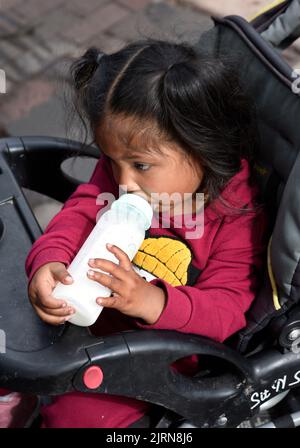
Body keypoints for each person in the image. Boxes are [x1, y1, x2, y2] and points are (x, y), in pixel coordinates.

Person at [25, 39, 268, 428]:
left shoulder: (236, 216)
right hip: (78, 323)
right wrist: (50, 259)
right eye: (111, 160)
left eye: (140, 164)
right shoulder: (129, 178)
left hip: (152, 360)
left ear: (201, 147)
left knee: (78, 417)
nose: (123, 181)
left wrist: (149, 301)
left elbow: (226, 310)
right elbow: (81, 210)